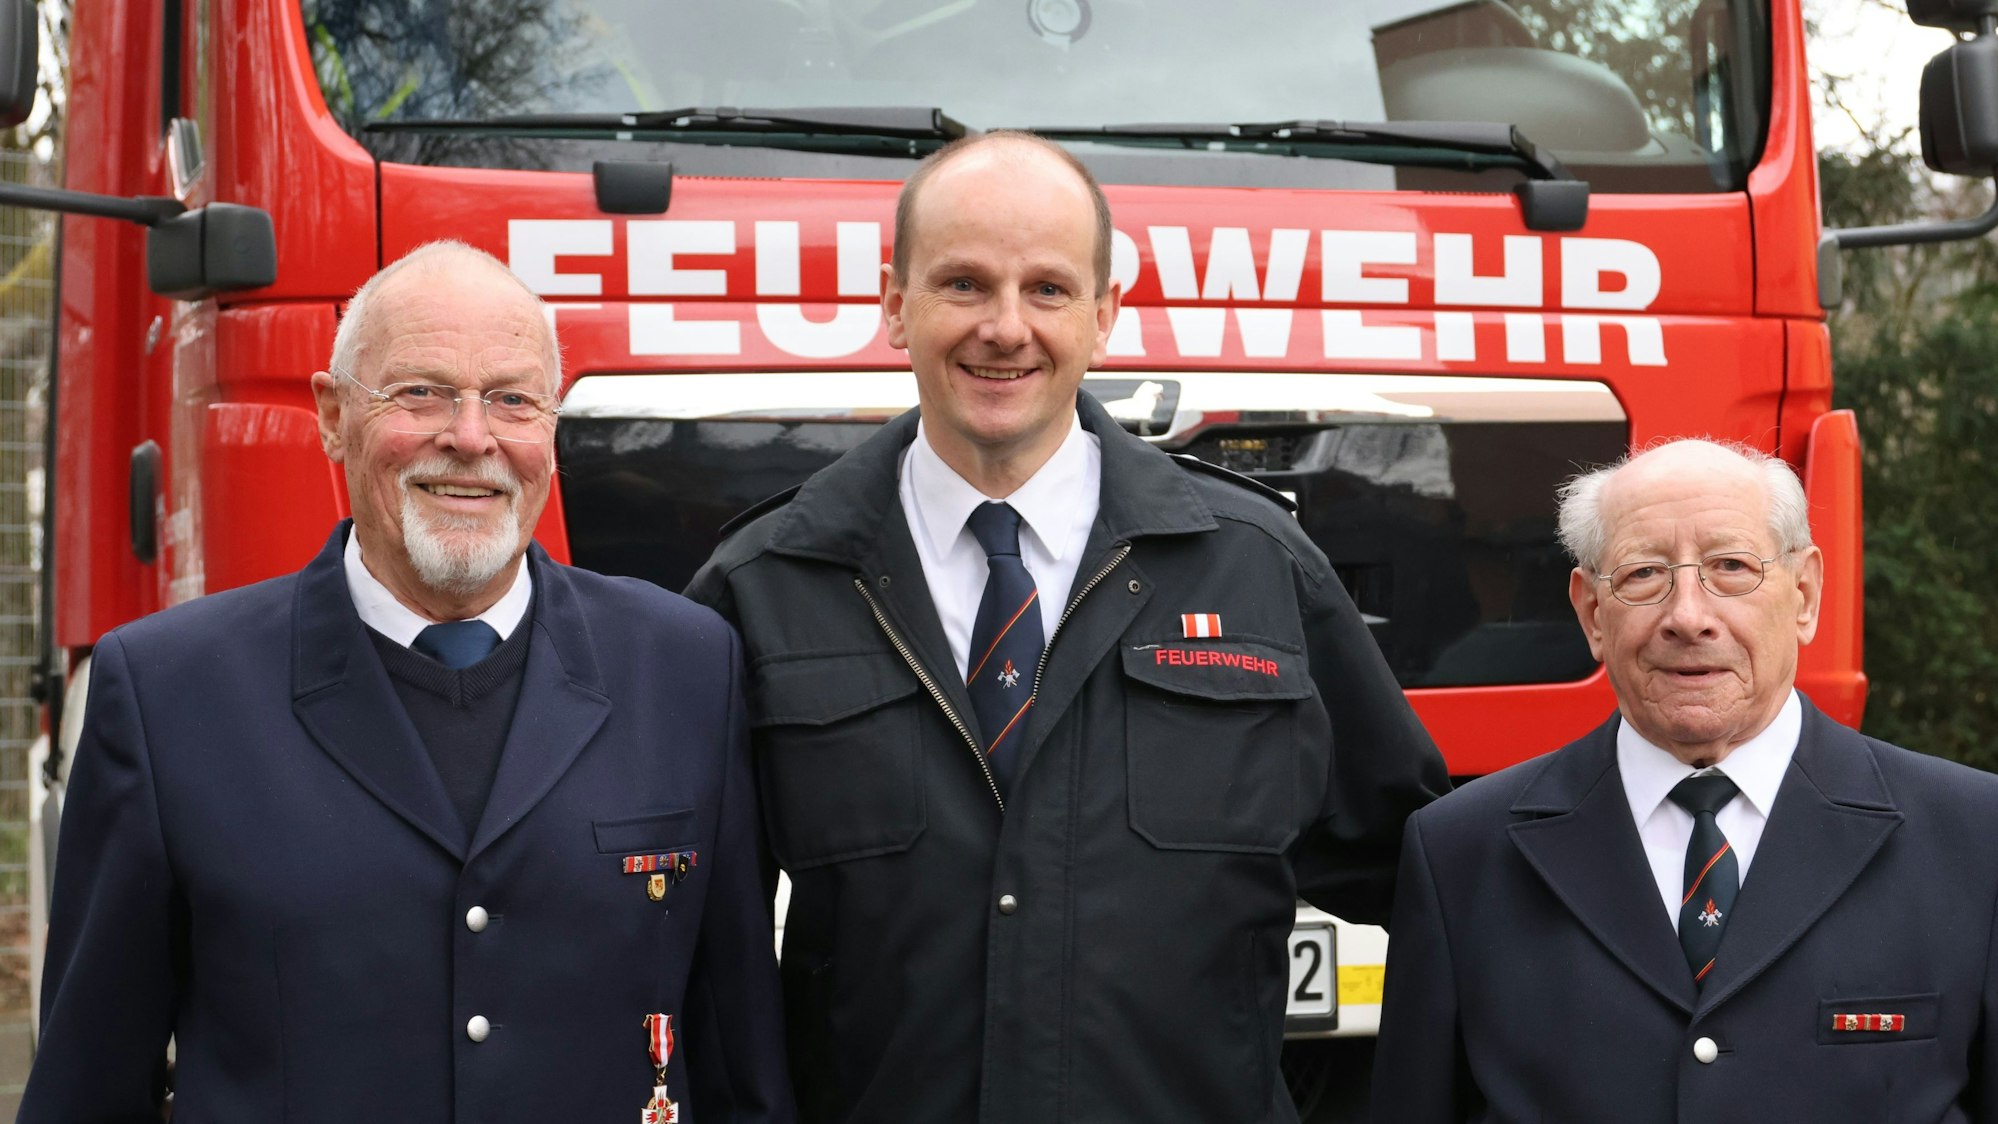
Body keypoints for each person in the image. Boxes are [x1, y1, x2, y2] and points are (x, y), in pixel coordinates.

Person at [685, 131, 1449, 1123]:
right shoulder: (764, 587)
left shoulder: (1260, 569)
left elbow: (1432, 885)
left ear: (1104, 314)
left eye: (1047, 289)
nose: (1006, 328)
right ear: (893, 304)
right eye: (964, 284)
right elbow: (688, 949)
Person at [21, 242, 793, 1123]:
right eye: (421, 392)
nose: (470, 437)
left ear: (550, 429)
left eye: (512, 400)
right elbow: (87, 1090)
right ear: (332, 416)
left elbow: (742, 1073)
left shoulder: (687, 669)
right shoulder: (167, 696)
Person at [1371, 438, 1998, 1122]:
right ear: (1592, 614)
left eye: (1731, 567)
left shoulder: (1976, 838)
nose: (1689, 617)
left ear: (1805, 594)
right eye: (1644, 574)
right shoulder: (1459, 853)